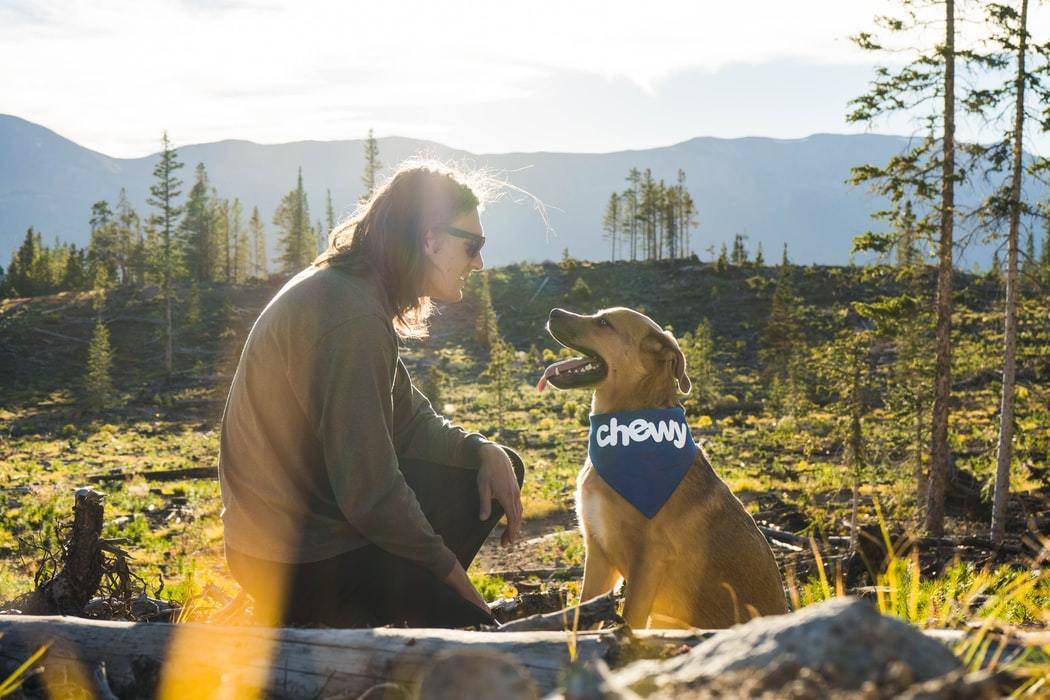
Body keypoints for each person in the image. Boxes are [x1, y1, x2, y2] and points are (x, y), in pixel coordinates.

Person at [218, 163, 524, 628]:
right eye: (472, 245)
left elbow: (410, 421)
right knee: (471, 632)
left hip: (298, 537)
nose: (478, 262)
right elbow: (371, 494)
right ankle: (392, 620)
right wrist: (454, 579)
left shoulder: (354, 293)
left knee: (488, 467)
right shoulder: (353, 318)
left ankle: (406, 609)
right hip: (293, 563)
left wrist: (480, 448)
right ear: (429, 239)